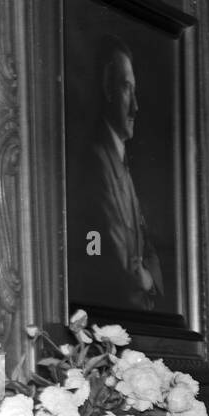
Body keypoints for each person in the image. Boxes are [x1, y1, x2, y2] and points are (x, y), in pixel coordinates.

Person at [73, 35, 164, 310]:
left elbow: (149, 251)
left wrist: (148, 280)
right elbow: (119, 270)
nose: (135, 106)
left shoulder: (120, 161)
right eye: (126, 89)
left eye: (134, 90)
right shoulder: (97, 162)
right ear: (107, 89)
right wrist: (144, 280)